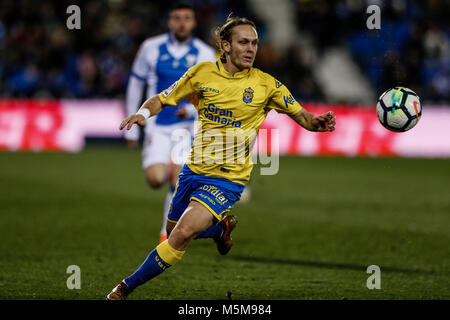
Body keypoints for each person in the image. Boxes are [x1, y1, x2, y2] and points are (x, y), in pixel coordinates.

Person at [107, 15, 336, 300]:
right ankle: (219, 230)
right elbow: (162, 98)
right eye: (243, 42)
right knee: (175, 228)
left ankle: (124, 288)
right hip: (193, 171)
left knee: (179, 235)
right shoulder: (201, 74)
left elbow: (303, 116)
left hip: (229, 178)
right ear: (225, 46)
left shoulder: (267, 85)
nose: (251, 49)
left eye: (254, 43)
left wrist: (319, 123)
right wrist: (141, 114)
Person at [124, 3, 216, 243]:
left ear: (194, 22)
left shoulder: (205, 53)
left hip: (185, 129)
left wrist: (191, 110)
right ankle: (175, 191)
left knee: (177, 179)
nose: (182, 23)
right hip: (157, 125)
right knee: (156, 179)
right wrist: (133, 125)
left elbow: (211, 93)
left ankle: (166, 233)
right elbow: (136, 83)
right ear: (169, 22)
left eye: (187, 18)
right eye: (177, 18)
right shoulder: (150, 48)